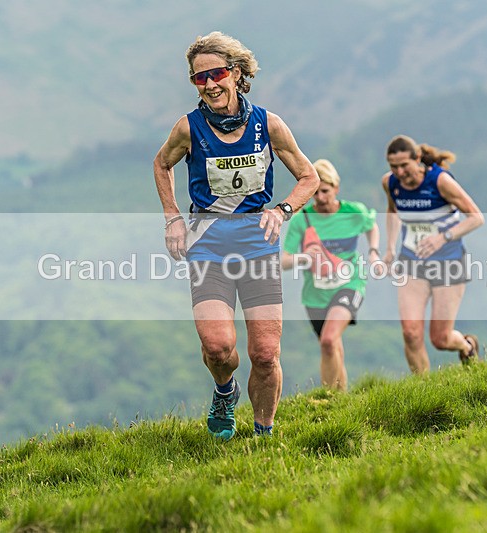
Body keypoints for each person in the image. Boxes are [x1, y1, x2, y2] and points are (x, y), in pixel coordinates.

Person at [153, 31, 319, 440]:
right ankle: (225, 392)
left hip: (257, 245)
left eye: (217, 73)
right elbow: (161, 165)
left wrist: (281, 211)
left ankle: (263, 436)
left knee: (265, 354)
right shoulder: (188, 128)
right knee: (218, 347)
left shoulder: (268, 124)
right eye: (199, 77)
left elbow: (309, 177)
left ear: (238, 73)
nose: (209, 84)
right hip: (208, 243)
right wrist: (173, 218)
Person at [381, 134, 484, 374]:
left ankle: (467, 346)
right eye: (393, 166)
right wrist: (389, 248)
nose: (400, 172)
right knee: (410, 332)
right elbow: (392, 211)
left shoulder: (440, 181)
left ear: (417, 159)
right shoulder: (390, 183)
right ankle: (424, 390)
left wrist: (442, 237)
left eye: (404, 165)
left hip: (448, 263)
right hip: (412, 262)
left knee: (441, 338)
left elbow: (476, 218)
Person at [281, 159, 380, 390]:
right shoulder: (301, 220)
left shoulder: (353, 212)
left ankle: (327, 399)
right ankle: (341, 400)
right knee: (331, 346)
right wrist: (304, 258)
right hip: (315, 294)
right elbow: (284, 260)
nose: (320, 198)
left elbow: (372, 225)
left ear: (336, 188)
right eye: (315, 193)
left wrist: (374, 251)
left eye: (325, 191)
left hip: (350, 283)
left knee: (328, 339)